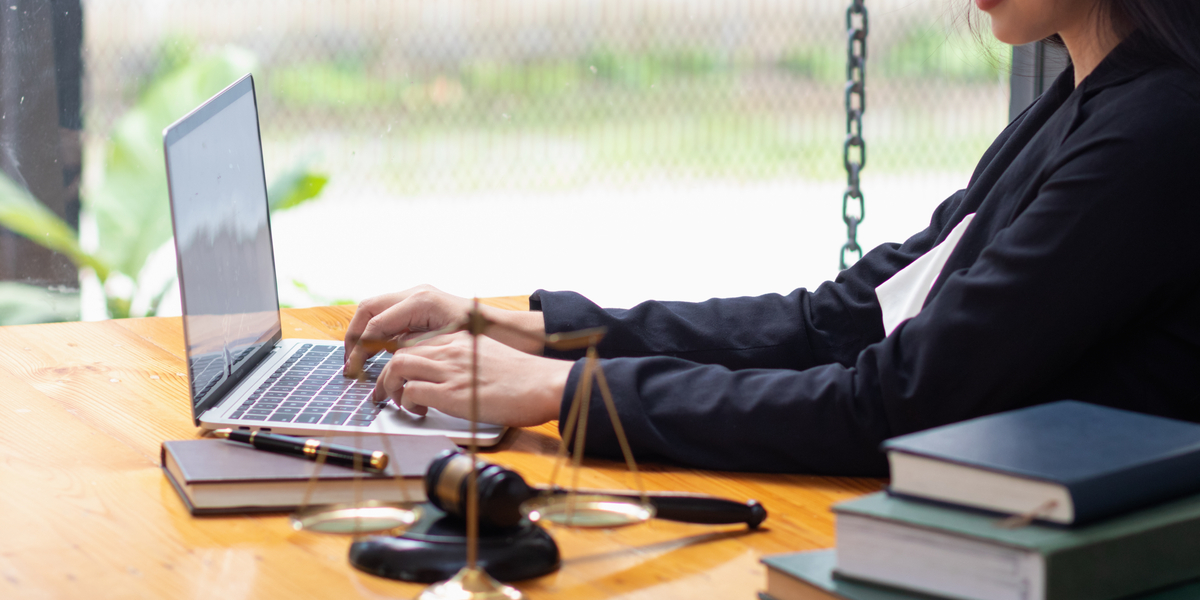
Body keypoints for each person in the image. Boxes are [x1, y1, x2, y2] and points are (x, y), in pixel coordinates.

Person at [344, 0, 1200, 476]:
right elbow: (846, 318)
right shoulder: (1087, 101)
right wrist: (535, 329)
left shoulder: (1156, 133)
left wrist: (563, 393)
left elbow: (896, 403)